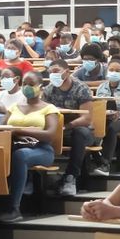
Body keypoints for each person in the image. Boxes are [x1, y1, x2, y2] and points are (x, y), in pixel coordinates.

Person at [0, 71, 59, 222]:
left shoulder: (49, 108)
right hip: (15, 145)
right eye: (24, 84)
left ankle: (15, 208)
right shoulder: (14, 107)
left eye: (31, 84)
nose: (26, 87)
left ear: (40, 87)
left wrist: (17, 130)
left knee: (21, 156)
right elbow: (0, 129)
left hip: (42, 149)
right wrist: (26, 131)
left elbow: (50, 134)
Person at [43, 60, 94, 196]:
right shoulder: (48, 90)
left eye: (56, 71)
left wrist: (68, 126)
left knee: (80, 133)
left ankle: (70, 178)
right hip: (57, 128)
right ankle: (37, 177)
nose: (52, 75)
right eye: (50, 72)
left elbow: (86, 118)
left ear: (67, 72)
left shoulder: (81, 88)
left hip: (81, 130)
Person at [91, 59, 120, 176]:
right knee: (90, 129)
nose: (114, 72)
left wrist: (119, 115)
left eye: (117, 70)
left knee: (112, 128)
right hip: (105, 118)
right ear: (107, 71)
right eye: (111, 70)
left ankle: (105, 164)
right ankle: (98, 160)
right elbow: (97, 106)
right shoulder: (102, 87)